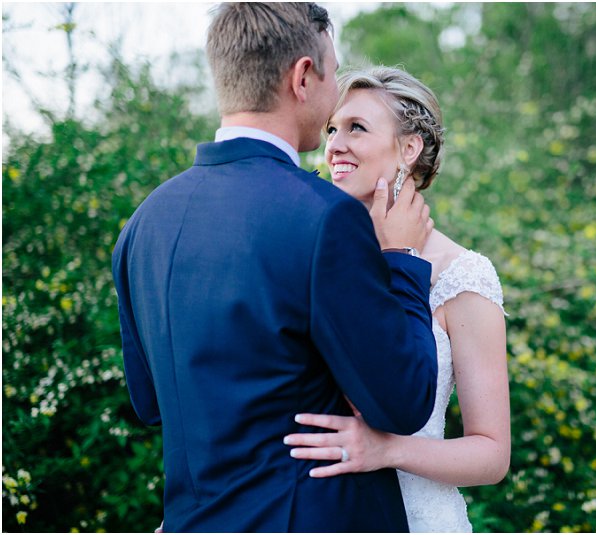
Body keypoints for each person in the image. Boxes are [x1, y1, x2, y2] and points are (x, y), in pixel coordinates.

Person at [111, 4, 440, 532]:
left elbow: (150, 402)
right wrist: (401, 261)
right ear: (303, 77)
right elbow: (404, 401)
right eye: (333, 73)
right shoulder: (325, 217)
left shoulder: (143, 225)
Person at [282, 66, 510, 532]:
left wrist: (388, 450)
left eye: (357, 128)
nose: (335, 145)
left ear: (409, 149)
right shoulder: (315, 254)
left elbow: (491, 454)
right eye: (332, 129)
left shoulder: (462, 276)